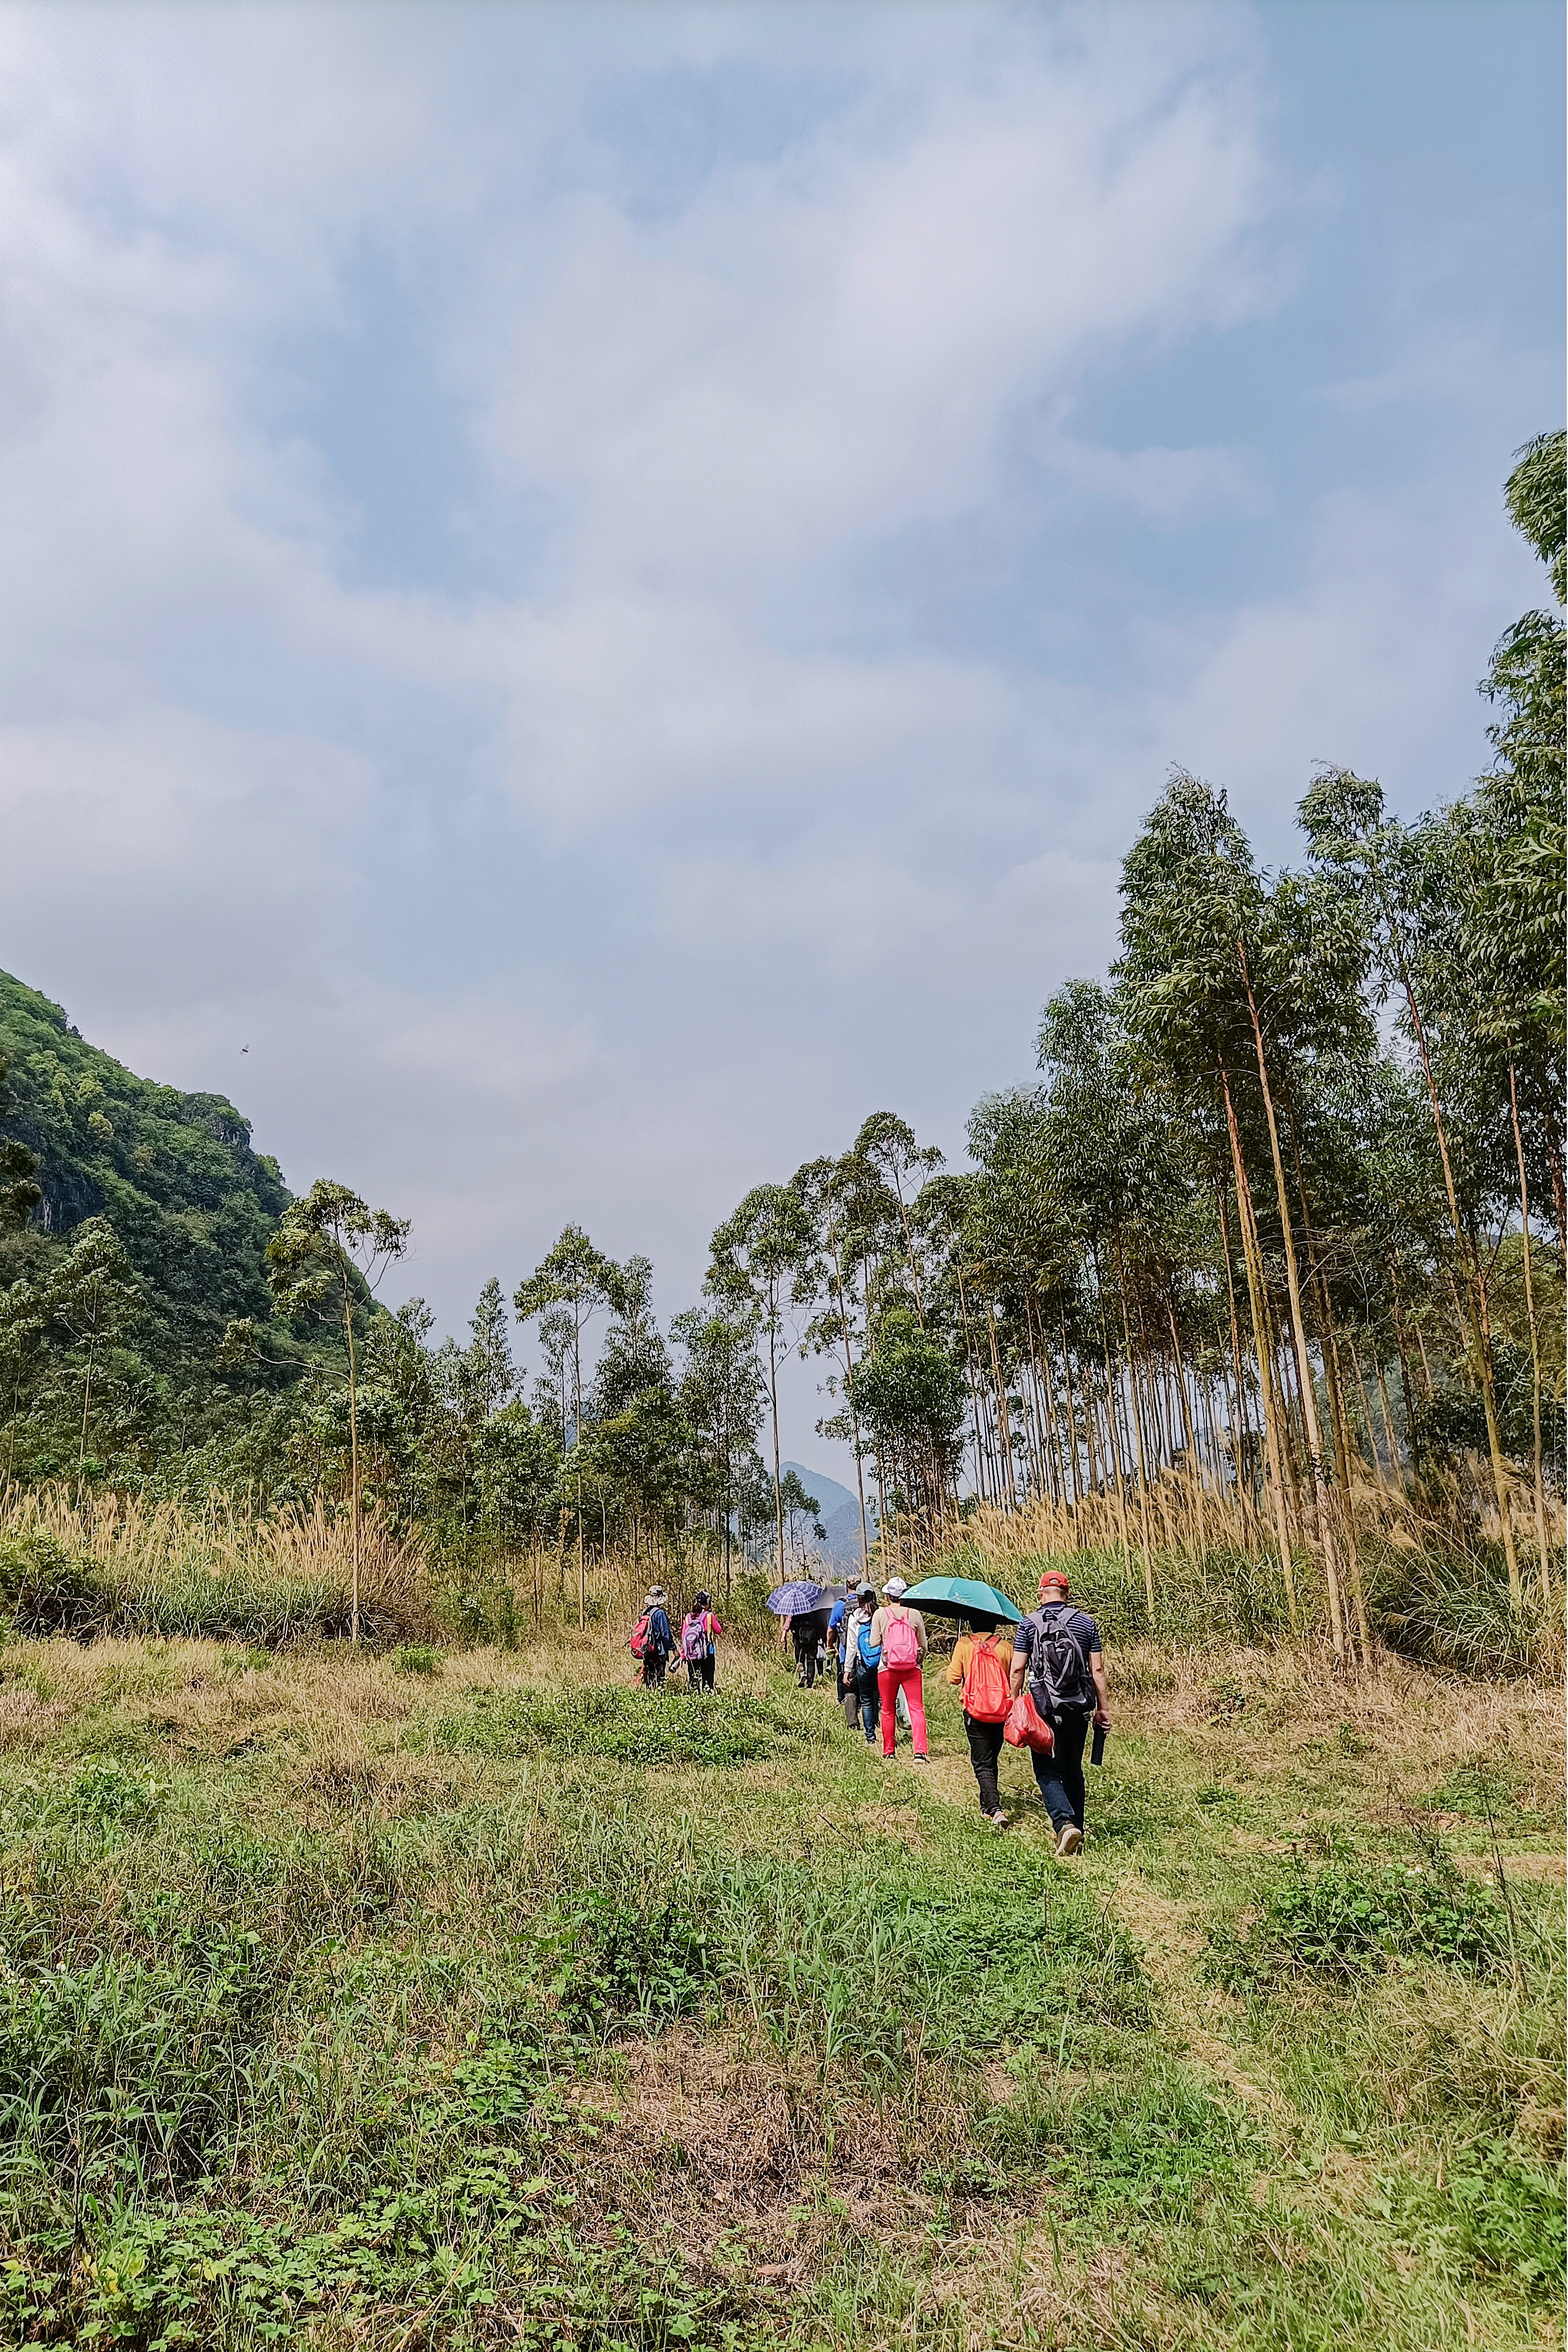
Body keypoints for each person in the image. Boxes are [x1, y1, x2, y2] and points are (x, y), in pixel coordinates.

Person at [1008, 1569, 1110, 1856]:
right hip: (1078, 1708)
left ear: (1041, 1593)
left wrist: (1015, 1703)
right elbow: (1097, 1670)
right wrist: (1103, 1709)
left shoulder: (1029, 1623)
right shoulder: (1087, 1623)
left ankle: (1065, 1825)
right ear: (1067, 1593)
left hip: (1044, 1710)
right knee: (1073, 1770)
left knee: (1046, 1771)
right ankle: (1077, 1832)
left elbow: (1017, 1669)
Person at [945, 1613, 1013, 1826]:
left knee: (982, 1763)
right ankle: (987, 1807)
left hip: (975, 1710)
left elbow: (953, 1678)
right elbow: (1014, 1677)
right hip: (1001, 1711)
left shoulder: (964, 1644)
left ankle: (995, 1810)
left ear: (972, 1622)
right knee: (991, 1758)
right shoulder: (1006, 1647)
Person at [871, 1576, 929, 1762]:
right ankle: (920, 1751)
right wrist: (919, 1660)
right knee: (916, 1709)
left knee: (888, 1709)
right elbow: (924, 1645)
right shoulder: (915, 1614)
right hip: (912, 1668)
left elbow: (873, 1642)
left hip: (887, 1668)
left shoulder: (880, 1614)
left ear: (888, 1595)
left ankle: (889, 1751)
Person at [840, 1583, 881, 1743]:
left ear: (858, 1599)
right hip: (880, 1662)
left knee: (866, 1699)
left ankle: (870, 1736)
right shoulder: (880, 1613)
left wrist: (847, 1670)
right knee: (878, 1694)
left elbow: (851, 1646)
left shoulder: (855, 1617)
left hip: (862, 1661)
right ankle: (879, 1725)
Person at [781, 1602, 830, 1688]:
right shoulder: (816, 1609)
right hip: (813, 1639)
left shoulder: (797, 1608)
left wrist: (785, 1633)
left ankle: (802, 1673)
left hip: (799, 1639)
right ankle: (809, 1684)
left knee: (800, 1659)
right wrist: (824, 1639)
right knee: (811, 1660)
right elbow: (821, 1624)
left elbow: (789, 1621)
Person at [679, 1592, 721, 1690]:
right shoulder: (709, 1616)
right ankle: (707, 1697)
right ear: (708, 1603)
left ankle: (694, 1697)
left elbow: (683, 1637)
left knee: (694, 1681)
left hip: (691, 1654)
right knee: (707, 1682)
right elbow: (719, 1630)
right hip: (708, 1652)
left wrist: (683, 1655)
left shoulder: (688, 1617)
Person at [638, 1586, 676, 1689]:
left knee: (649, 1675)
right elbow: (666, 1634)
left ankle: (649, 1693)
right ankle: (658, 1694)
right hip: (659, 1651)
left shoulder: (645, 1612)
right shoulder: (660, 1613)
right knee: (659, 1678)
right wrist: (673, 1649)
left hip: (647, 1650)